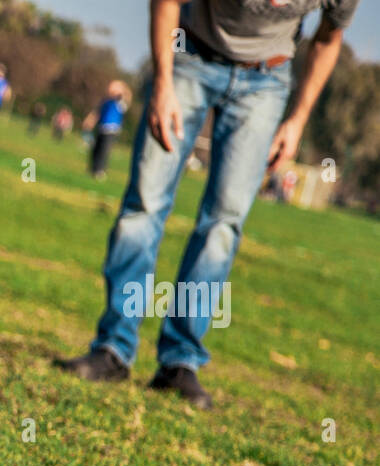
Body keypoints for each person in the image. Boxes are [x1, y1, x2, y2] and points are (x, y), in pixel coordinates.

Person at [55, 0, 356, 410]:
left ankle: (179, 362)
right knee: (144, 202)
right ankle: (113, 348)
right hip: (189, 56)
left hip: (267, 80)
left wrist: (298, 118)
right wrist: (162, 84)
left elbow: (328, 38)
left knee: (224, 223)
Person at [85, 80, 132, 179]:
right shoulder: (105, 101)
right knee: (95, 149)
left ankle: (100, 171)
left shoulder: (120, 102)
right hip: (101, 127)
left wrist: (122, 87)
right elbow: (97, 112)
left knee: (104, 150)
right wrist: (90, 121)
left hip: (111, 130)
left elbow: (127, 97)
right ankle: (93, 168)